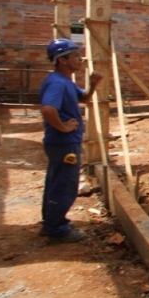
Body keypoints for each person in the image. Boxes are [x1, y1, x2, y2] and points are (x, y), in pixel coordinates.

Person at [39, 39, 102, 243]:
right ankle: (57, 229)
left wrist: (92, 86)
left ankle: (51, 222)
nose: (80, 58)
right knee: (64, 185)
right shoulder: (57, 83)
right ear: (63, 60)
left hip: (62, 142)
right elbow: (48, 109)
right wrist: (63, 127)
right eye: (75, 55)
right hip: (63, 143)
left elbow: (82, 98)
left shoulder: (65, 80)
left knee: (56, 182)